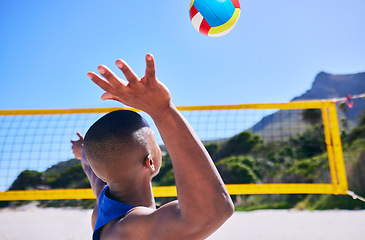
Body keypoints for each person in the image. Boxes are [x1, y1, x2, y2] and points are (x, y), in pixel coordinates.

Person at [71, 53, 234, 240]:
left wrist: (83, 151)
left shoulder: (103, 207)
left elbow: (89, 167)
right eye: (155, 140)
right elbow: (212, 210)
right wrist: (162, 110)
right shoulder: (131, 227)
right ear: (149, 162)